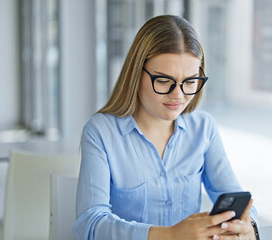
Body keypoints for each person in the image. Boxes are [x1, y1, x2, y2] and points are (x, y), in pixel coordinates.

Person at [74, 15, 259, 240]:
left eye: (190, 82)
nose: (178, 95)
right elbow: (90, 225)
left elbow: (236, 198)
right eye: (163, 81)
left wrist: (248, 227)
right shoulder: (101, 132)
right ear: (136, 74)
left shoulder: (203, 129)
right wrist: (169, 235)